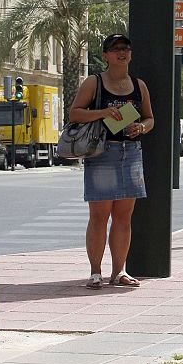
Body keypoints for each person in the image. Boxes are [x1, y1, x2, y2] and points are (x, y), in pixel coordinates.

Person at [69, 34, 154, 289]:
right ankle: (95, 272)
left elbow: (150, 118)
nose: (122, 53)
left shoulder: (139, 85)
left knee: (124, 217)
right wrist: (105, 112)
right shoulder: (94, 82)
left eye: (126, 48)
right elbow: (75, 113)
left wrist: (141, 127)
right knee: (99, 215)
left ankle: (119, 272)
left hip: (130, 153)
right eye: (115, 49)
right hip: (102, 153)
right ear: (105, 55)